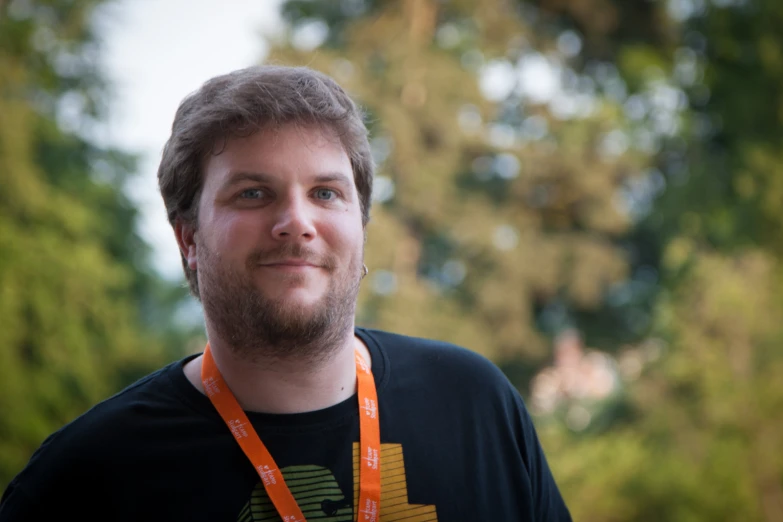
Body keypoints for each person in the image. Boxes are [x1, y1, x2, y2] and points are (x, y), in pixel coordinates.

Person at [0, 65, 572, 521]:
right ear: (188, 239)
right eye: (253, 194)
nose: (296, 221)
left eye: (325, 193)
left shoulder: (474, 404)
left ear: (361, 225)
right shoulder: (88, 477)